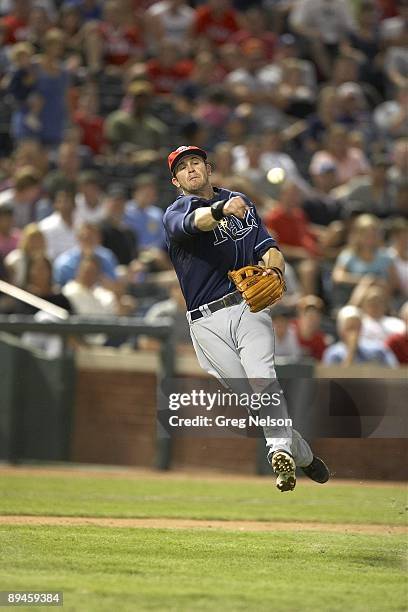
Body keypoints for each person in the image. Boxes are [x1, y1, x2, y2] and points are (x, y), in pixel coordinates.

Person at [163, 145, 330, 492]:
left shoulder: (240, 200)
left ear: (208, 169)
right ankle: (300, 453)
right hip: (205, 323)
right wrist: (223, 208)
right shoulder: (177, 211)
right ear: (176, 181)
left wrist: (275, 271)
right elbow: (195, 222)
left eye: (195, 162)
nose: (190, 169)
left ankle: (279, 451)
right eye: (182, 167)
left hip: (247, 306)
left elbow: (267, 247)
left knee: (262, 378)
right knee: (257, 403)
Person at [322, 304, 398, 366]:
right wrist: (351, 352)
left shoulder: (378, 350)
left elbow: (394, 372)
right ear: (340, 330)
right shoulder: (333, 354)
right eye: (350, 327)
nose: (354, 332)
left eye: (357, 327)